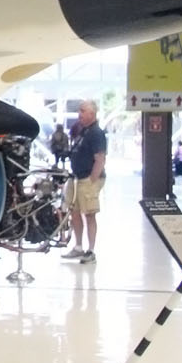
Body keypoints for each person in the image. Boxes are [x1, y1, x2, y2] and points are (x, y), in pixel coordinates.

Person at [60, 100, 106, 264]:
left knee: (89, 214)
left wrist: (92, 180)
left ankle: (91, 250)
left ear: (92, 114)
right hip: (76, 178)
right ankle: (78, 247)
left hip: (87, 178)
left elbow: (100, 158)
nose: (79, 114)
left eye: (82, 111)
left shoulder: (96, 133)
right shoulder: (82, 131)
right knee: (75, 213)